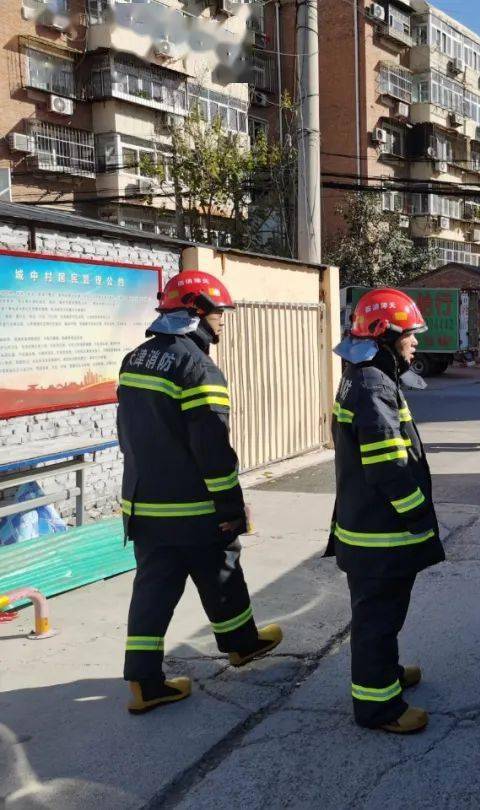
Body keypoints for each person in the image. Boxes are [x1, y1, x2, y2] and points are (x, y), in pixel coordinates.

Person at [118, 270, 282, 715]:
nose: (223, 322)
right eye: (219, 313)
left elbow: (129, 435)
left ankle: (144, 682)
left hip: (143, 505)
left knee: (153, 589)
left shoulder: (134, 359)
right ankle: (241, 644)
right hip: (192, 505)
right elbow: (212, 446)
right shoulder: (197, 367)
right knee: (221, 565)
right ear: (196, 312)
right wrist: (230, 504)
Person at [327, 288, 445, 734]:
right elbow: (388, 467)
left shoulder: (364, 375)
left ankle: (386, 676)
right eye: (410, 334)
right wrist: (418, 516)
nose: (416, 341)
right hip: (381, 532)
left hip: (369, 526)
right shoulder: (374, 383)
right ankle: (379, 708)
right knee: (377, 619)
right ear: (385, 334)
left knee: (384, 615)